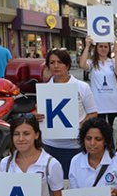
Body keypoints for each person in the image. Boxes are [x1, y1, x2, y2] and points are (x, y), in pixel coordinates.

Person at [40, 49, 98, 178]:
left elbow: (93, 113)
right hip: (50, 145)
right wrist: (37, 116)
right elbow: (41, 114)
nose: (56, 66)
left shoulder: (82, 87)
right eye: (52, 62)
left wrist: (81, 126)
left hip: (74, 146)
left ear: (67, 65)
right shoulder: (44, 89)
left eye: (60, 62)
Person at [79, 35, 117, 127]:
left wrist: (116, 53)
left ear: (109, 49)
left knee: (114, 132)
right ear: (96, 48)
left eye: (106, 47)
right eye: (101, 46)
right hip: (97, 104)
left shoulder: (113, 61)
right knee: (99, 132)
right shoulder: (92, 63)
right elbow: (82, 65)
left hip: (114, 103)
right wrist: (87, 46)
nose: (103, 49)